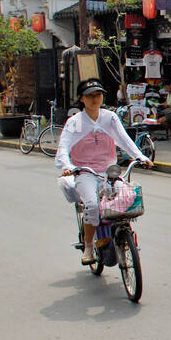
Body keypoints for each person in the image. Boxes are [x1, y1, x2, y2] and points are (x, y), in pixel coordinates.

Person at [55, 79, 153, 265]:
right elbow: (64, 147)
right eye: (90, 96)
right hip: (85, 172)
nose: (95, 99)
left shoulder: (110, 117)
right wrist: (67, 166)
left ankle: (123, 236)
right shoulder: (75, 122)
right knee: (91, 205)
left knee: (127, 198)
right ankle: (89, 246)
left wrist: (140, 157)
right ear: (81, 99)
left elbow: (124, 139)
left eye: (98, 95)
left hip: (109, 171)